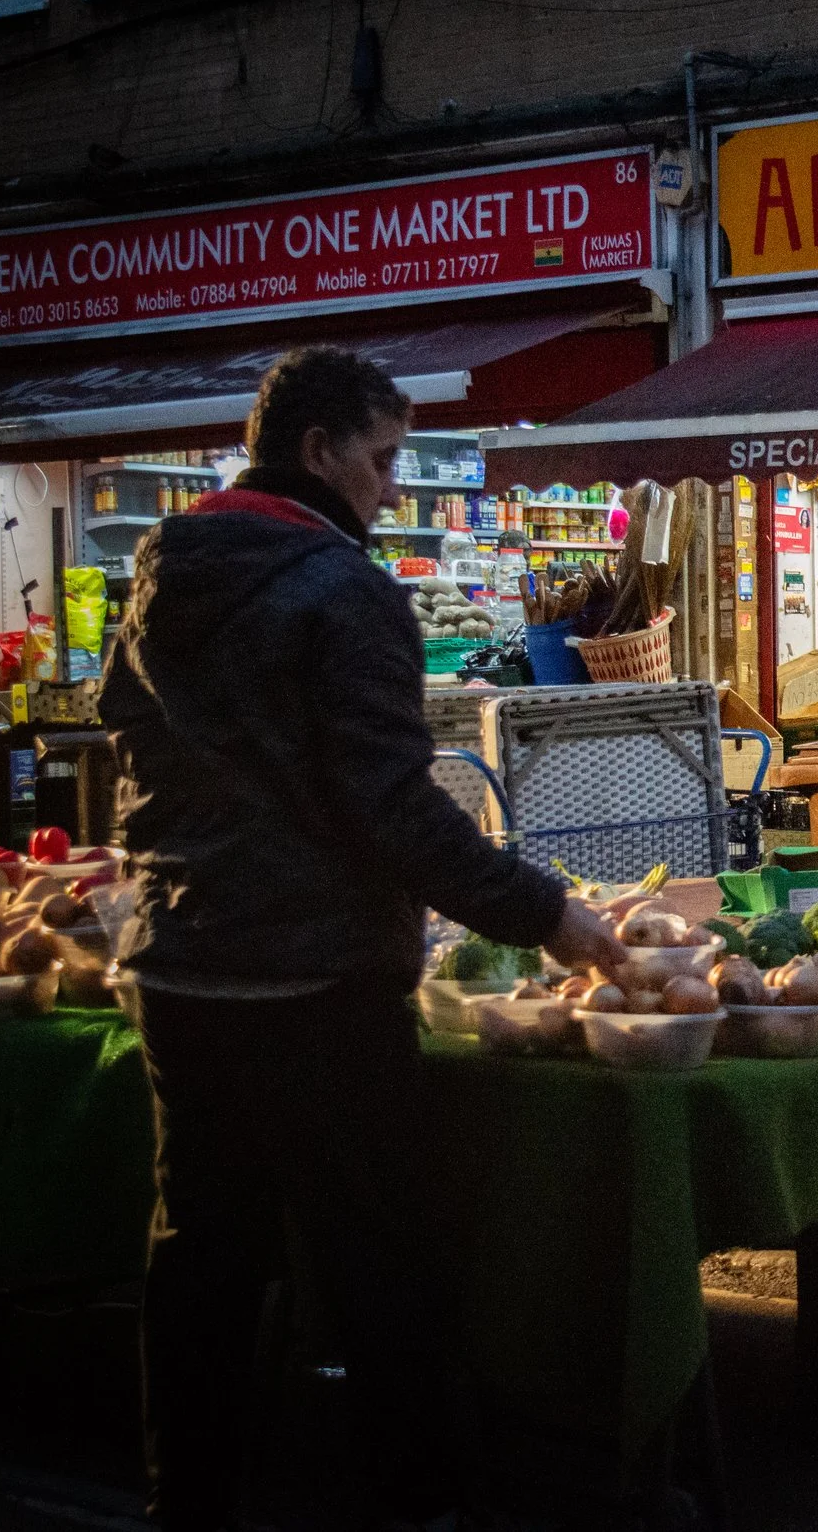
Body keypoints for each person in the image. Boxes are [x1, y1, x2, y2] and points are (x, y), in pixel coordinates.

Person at [100, 347, 627, 1532]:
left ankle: (182, 1508)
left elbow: (132, 755)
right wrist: (547, 914)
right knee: (384, 1269)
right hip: (315, 987)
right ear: (319, 452)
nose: (393, 488)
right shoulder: (342, 589)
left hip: (180, 971)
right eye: (383, 461)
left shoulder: (161, 572)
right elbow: (390, 805)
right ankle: (421, 1507)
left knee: (202, 1264)